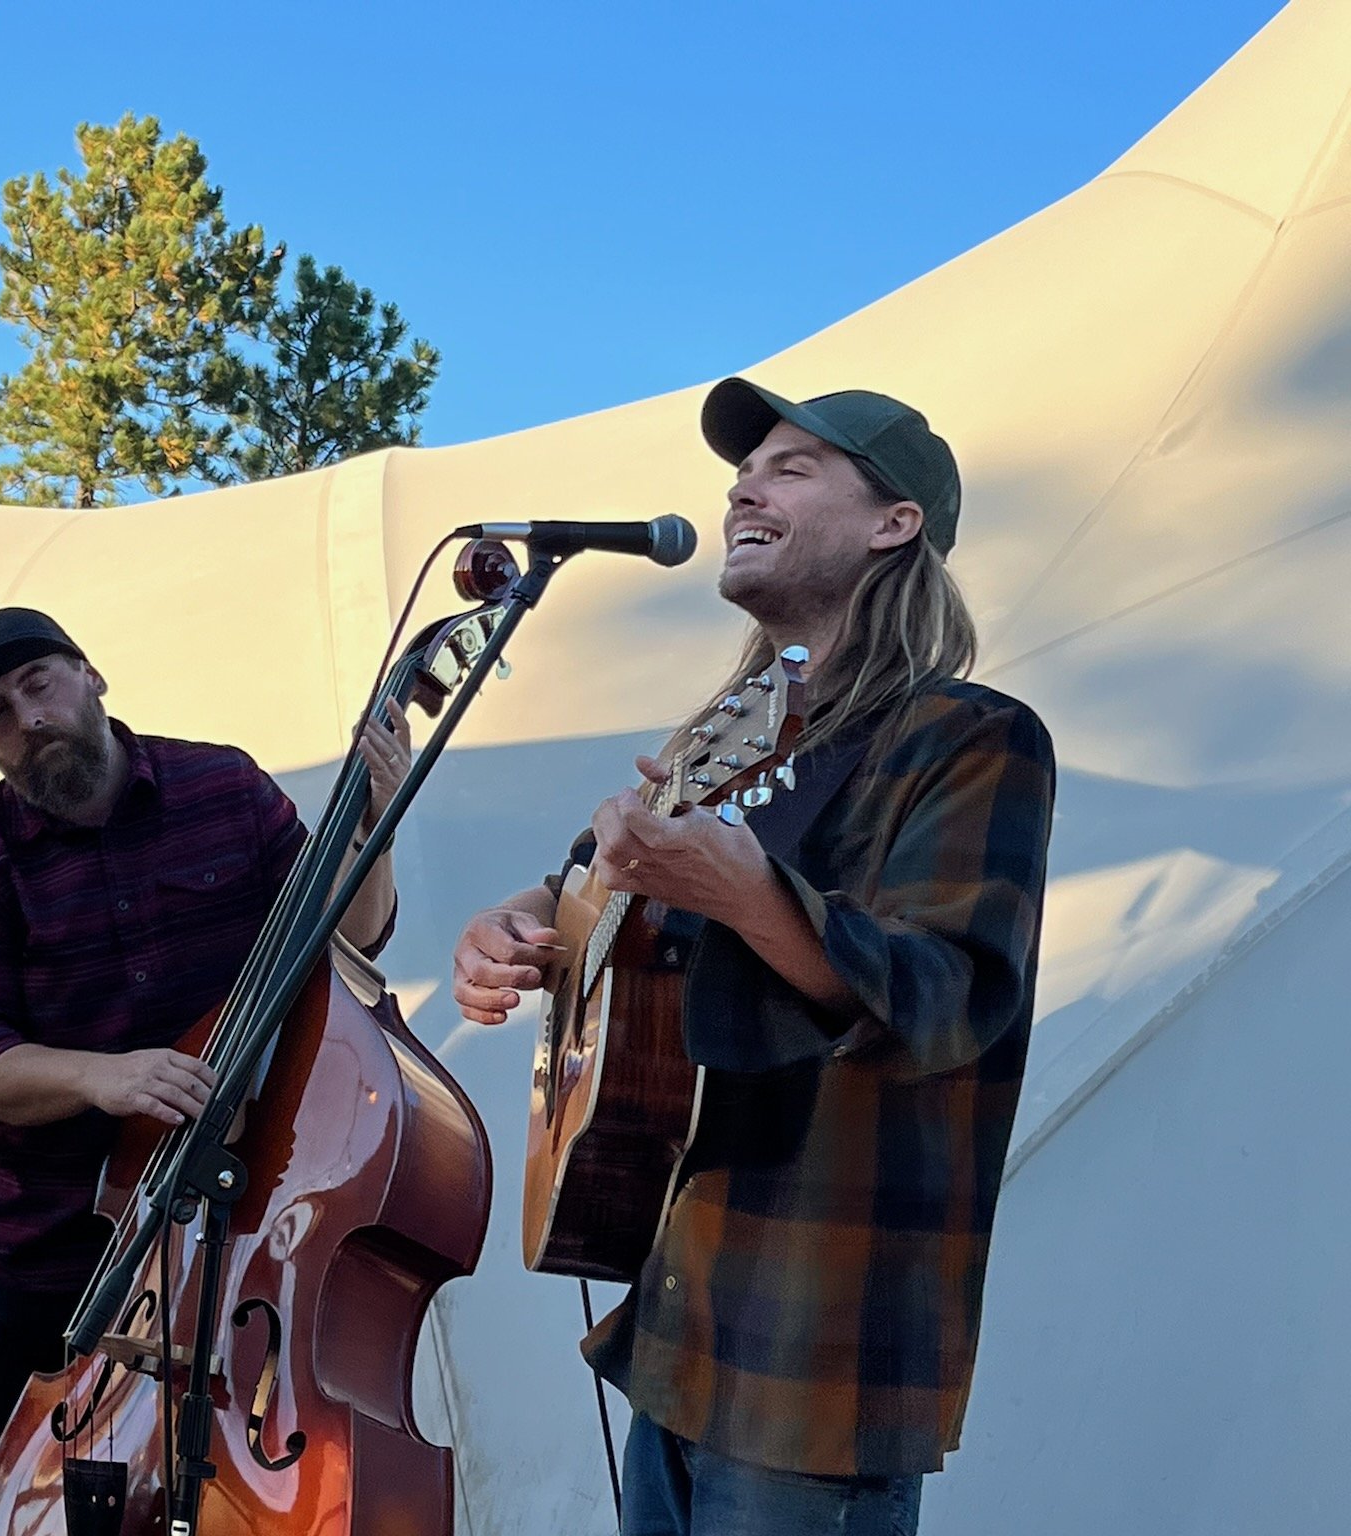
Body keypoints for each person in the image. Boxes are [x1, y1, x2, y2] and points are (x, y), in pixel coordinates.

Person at [451, 379, 1056, 1534]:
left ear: (893, 522)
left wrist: (749, 895)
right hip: (678, 1323)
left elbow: (944, 998)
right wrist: (522, 914)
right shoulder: (722, 739)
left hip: (815, 1350)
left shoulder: (971, 738)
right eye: (744, 469)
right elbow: (593, 877)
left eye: (790, 467)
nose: (741, 486)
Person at [0, 606, 409, 1523]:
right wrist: (104, 1076)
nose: (24, 718)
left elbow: (346, 938)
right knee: (13, 1518)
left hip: (220, 1242)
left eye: (38, 684)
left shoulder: (222, 786)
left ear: (90, 675)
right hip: (36, 1263)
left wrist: (374, 817)